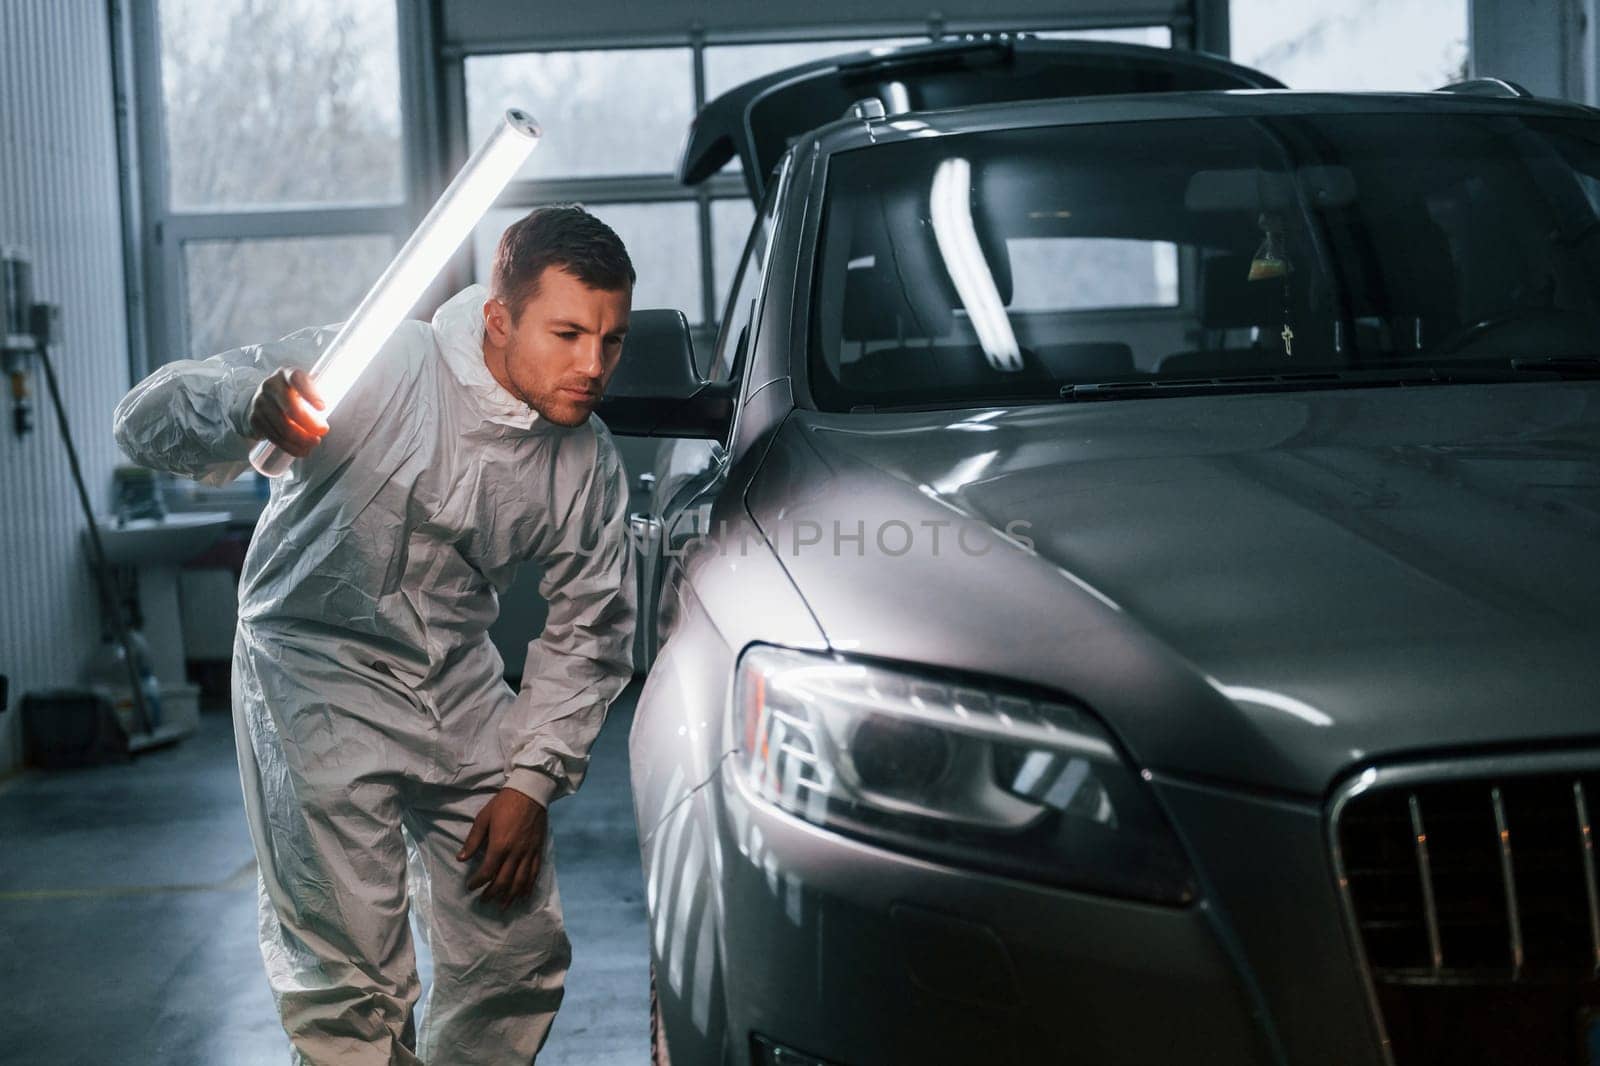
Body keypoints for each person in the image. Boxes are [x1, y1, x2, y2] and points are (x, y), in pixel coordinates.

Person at [112, 205, 638, 1064]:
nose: (593, 367)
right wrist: (247, 407)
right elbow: (146, 419)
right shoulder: (383, 364)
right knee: (349, 978)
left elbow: (592, 623)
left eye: (611, 340)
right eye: (569, 332)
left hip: (454, 679)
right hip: (312, 676)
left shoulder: (585, 458)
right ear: (499, 319)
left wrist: (530, 783)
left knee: (514, 950)